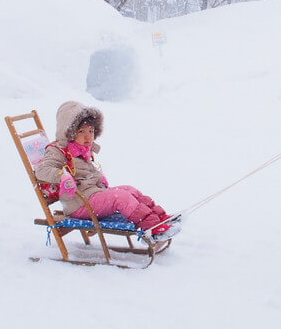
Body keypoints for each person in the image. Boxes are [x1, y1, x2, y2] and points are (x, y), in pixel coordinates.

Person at [35, 101, 179, 241]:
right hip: (79, 204)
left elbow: (86, 172)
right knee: (120, 197)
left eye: (91, 131)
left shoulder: (82, 148)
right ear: (69, 132)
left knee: (130, 190)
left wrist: (98, 177)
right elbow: (41, 170)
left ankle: (160, 218)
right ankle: (152, 228)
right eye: (81, 131)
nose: (88, 136)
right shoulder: (58, 150)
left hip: (92, 195)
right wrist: (62, 176)